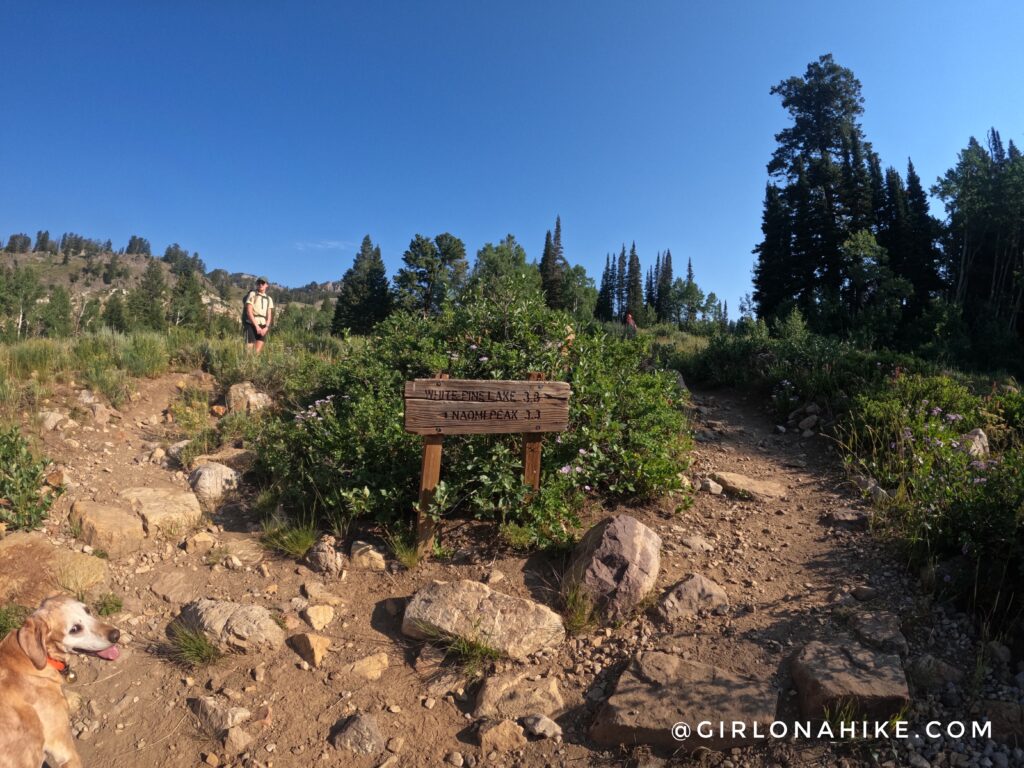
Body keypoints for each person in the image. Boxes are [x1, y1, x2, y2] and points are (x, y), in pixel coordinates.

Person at [243, 277, 274, 353]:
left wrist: (266, 328)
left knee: (257, 353)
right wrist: (257, 326)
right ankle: (246, 364)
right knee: (248, 352)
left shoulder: (269, 299)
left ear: (267, 285)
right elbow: (249, 311)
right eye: (258, 283)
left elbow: (269, 315)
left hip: (263, 326)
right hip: (251, 324)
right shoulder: (252, 294)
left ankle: (254, 365)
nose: (260, 284)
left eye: (262, 283)